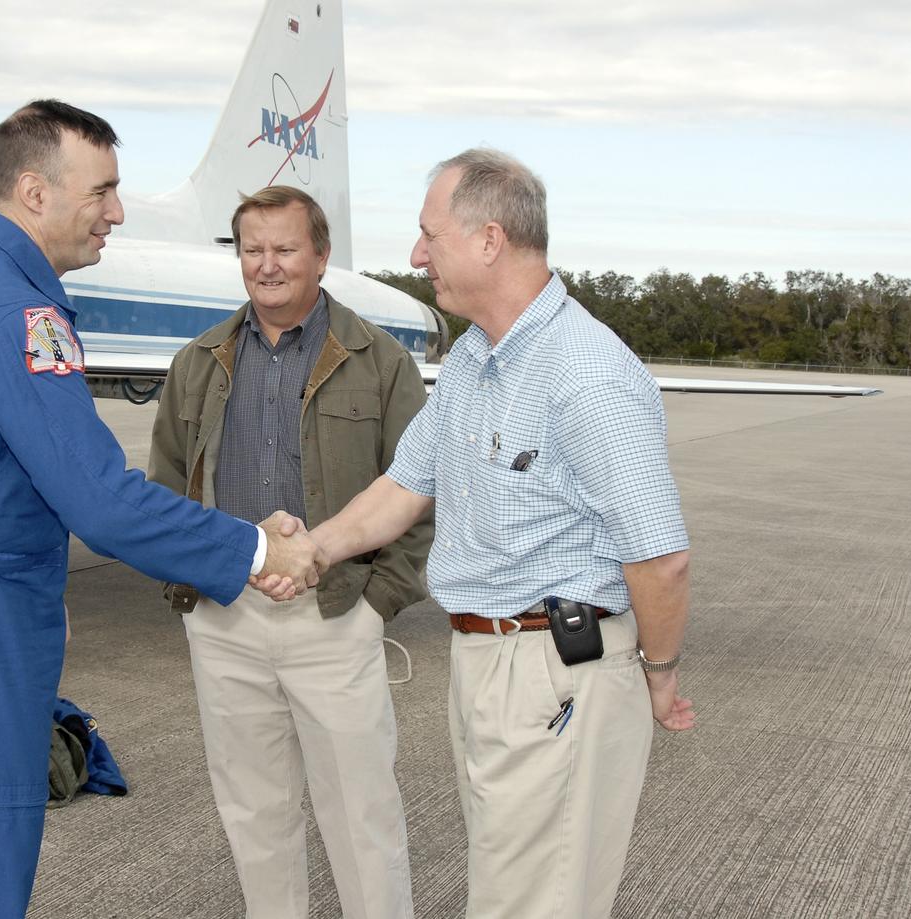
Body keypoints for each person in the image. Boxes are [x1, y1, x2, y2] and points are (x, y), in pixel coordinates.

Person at [0, 100, 320, 919]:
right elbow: (101, 501)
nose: (116, 212)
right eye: (103, 191)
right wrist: (254, 550)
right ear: (36, 193)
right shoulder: (17, 314)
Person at [272, 149, 695, 919]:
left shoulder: (585, 372)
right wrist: (314, 550)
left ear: (490, 239)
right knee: (511, 886)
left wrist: (658, 672)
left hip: (555, 669)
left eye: (429, 235)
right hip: (486, 662)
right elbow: (404, 486)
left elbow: (661, 558)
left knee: (535, 901)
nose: (415, 255)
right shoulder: (475, 359)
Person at [147, 185, 432, 919]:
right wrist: (194, 590)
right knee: (254, 814)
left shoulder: (382, 361)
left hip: (335, 618)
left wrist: (376, 604)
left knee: (362, 816)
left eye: (284, 248)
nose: (266, 265)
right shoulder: (198, 361)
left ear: (322, 255)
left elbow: (426, 491)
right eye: (252, 249)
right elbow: (167, 489)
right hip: (225, 622)